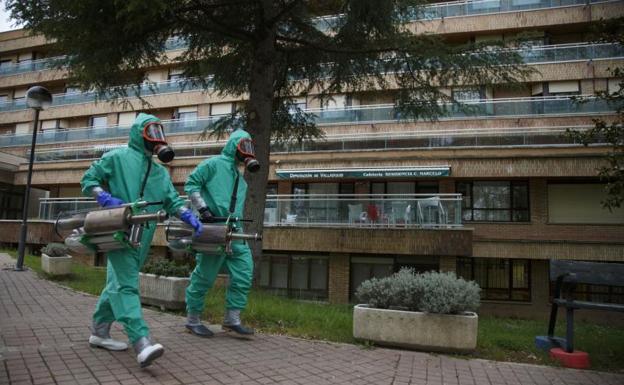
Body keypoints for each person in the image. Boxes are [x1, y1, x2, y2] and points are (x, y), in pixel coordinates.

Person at [81, 113, 202, 368]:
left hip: (144, 234)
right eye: (151, 132)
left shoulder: (159, 172)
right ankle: (141, 341)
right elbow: (88, 180)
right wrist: (104, 197)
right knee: (126, 285)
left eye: (159, 132)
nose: (156, 139)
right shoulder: (117, 157)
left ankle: (99, 332)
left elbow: (172, 200)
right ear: (139, 133)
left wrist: (187, 215)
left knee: (117, 282)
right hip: (119, 228)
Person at [184, 129, 259, 338]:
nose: (247, 152)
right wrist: (203, 210)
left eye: (250, 148)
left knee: (244, 271)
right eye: (244, 146)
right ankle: (192, 320)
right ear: (235, 145)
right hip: (212, 228)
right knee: (205, 275)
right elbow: (191, 184)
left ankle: (232, 319)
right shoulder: (213, 164)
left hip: (235, 230)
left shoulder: (239, 176)